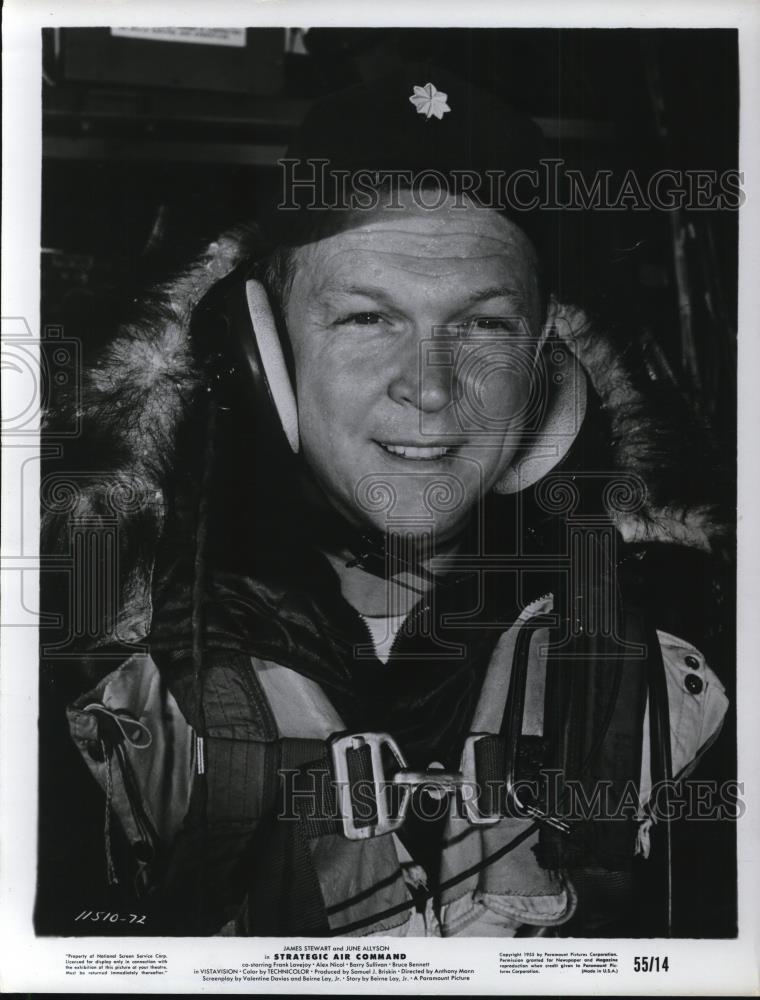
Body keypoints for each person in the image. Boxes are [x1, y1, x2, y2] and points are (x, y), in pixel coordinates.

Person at [39, 65, 732, 938]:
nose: (432, 391)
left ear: (546, 366)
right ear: (263, 356)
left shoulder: (687, 653)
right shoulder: (88, 670)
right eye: (368, 319)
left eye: (482, 325)